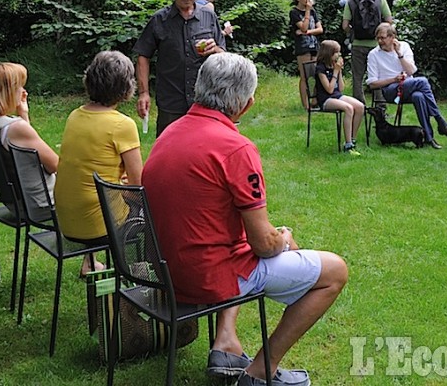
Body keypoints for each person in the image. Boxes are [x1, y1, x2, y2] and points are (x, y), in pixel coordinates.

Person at [143, 53, 348, 386]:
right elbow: (262, 245)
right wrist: (282, 238)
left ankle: (226, 342)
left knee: (243, 238)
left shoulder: (169, 132)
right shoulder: (236, 148)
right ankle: (260, 371)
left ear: (199, 88)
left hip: (167, 269)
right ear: (246, 104)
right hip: (203, 277)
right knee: (335, 270)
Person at [55, 51, 142, 275]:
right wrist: (122, 187)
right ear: (126, 88)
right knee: (151, 213)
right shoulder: (122, 125)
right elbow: (139, 187)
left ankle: (90, 263)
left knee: (97, 192)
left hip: (67, 219)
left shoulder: (75, 115)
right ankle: (143, 280)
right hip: (100, 226)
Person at [134, 0, 226, 136]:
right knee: (167, 152)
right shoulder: (159, 20)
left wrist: (215, 50)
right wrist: (144, 93)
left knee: (202, 152)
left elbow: (223, 54)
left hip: (204, 100)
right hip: (170, 101)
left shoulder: (209, 16)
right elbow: (143, 55)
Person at [0, 62, 58, 221]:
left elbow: (28, 152)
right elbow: (56, 165)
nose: (24, 91)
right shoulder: (15, 128)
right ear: (9, 91)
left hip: (15, 205)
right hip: (44, 205)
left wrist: (23, 115)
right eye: (20, 86)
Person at [366, 22, 447, 149]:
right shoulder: (374, 54)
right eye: (378, 38)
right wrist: (394, 79)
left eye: (382, 38)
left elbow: (411, 71)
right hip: (390, 91)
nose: (379, 41)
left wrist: (399, 54)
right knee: (422, 81)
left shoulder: (404, 46)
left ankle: (428, 138)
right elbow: (372, 84)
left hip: (409, 87)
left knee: (419, 96)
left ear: (392, 37)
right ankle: (440, 121)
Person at [342, 0, 393, 103]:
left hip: (358, 45)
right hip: (377, 45)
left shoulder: (350, 1)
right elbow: (389, 21)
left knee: (357, 77)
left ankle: (360, 105)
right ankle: (380, 106)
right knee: (378, 75)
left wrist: (352, 32)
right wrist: (379, 34)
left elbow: (345, 25)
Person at [315, 40, 365, 155]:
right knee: (348, 108)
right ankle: (347, 146)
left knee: (360, 106)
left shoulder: (334, 66)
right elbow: (329, 89)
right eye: (336, 52)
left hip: (337, 96)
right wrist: (335, 72)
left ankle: (352, 139)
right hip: (325, 100)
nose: (339, 55)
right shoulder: (320, 69)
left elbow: (341, 88)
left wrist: (339, 71)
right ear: (328, 53)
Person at [290, 0, 323, 110]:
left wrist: (307, 32)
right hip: (303, 47)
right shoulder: (294, 13)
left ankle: (315, 100)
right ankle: (306, 104)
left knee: (316, 74)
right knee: (304, 75)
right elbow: (303, 26)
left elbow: (320, 29)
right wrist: (307, 11)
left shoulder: (313, 12)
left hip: (314, 45)